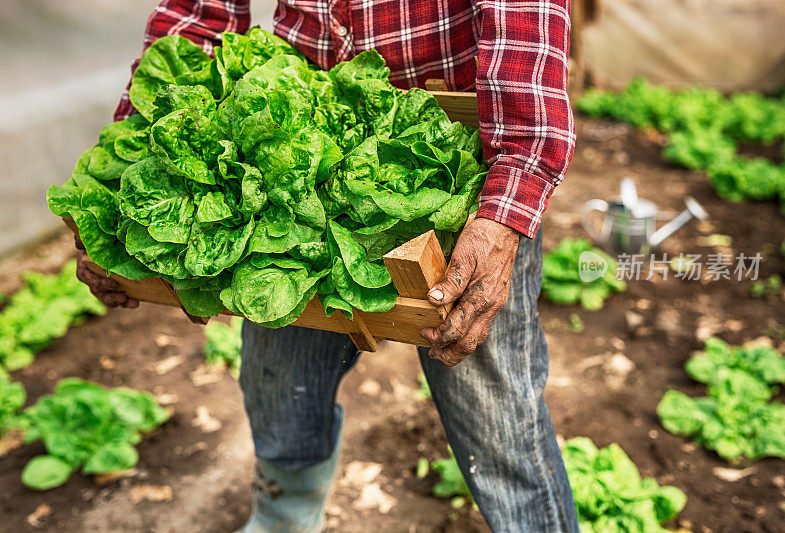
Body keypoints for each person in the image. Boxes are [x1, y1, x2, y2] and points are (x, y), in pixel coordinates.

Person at [75, 0, 579, 531]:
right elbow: (197, 14)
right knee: (278, 382)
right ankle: (283, 516)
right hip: (293, 156)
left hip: (463, 162)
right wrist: (120, 182)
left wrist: (506, 208)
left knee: (498, 418)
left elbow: (526, 27)